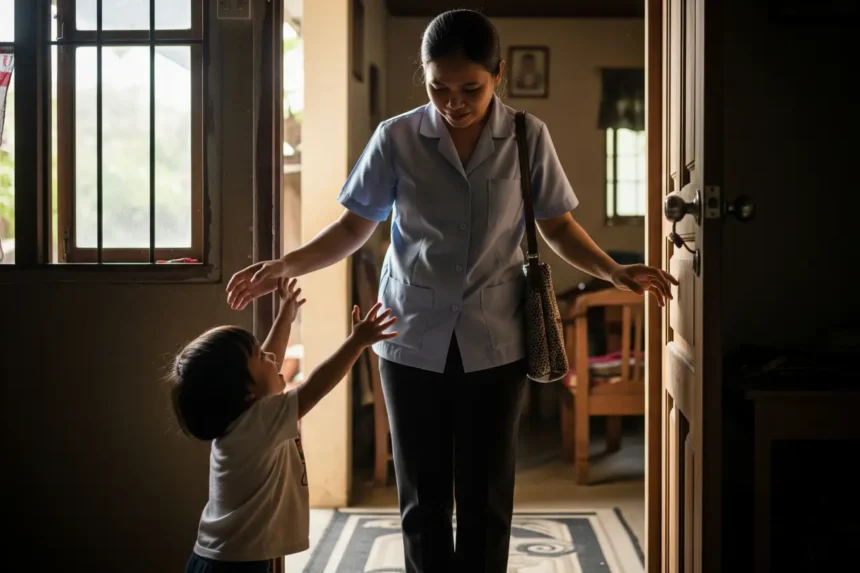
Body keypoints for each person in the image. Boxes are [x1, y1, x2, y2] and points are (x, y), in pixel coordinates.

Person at [225, 9, 677, 572]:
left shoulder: (527, 136)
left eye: (471, 88)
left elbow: (557, 225)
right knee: (423, 501)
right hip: (409, 333)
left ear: (498, 74)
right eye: (439, 88)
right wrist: (284, 264)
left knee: (488, 499)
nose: (454, 102)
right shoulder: (397, 137)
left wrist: (614, 270)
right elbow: (351, 227)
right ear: (424, 76)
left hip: (497, 340)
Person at [170, 278, 397, 573]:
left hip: (215, 557)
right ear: (247, 393)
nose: (273, 358)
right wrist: (356, 341)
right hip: (236, 566)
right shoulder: (260, 422)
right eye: (260, 356)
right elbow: (316, 386)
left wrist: (285, 315)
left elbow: (270, 362)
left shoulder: (240, 420)